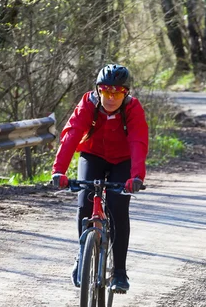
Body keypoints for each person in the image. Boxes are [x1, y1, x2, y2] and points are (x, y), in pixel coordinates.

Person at [51, 64, 149, 292]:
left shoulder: (132, 108)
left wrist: (136, 177)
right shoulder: (89, 103)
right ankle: (82, 254)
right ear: (98, 90)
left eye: (118, 93)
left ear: (126, 93)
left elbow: (138, 141)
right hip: (93, 155)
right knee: (85, 199)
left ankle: (120, 273)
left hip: (122, 160)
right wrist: (59, 171)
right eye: (106, 91)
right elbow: (72, 134)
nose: (111, 97)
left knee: (117, 207)